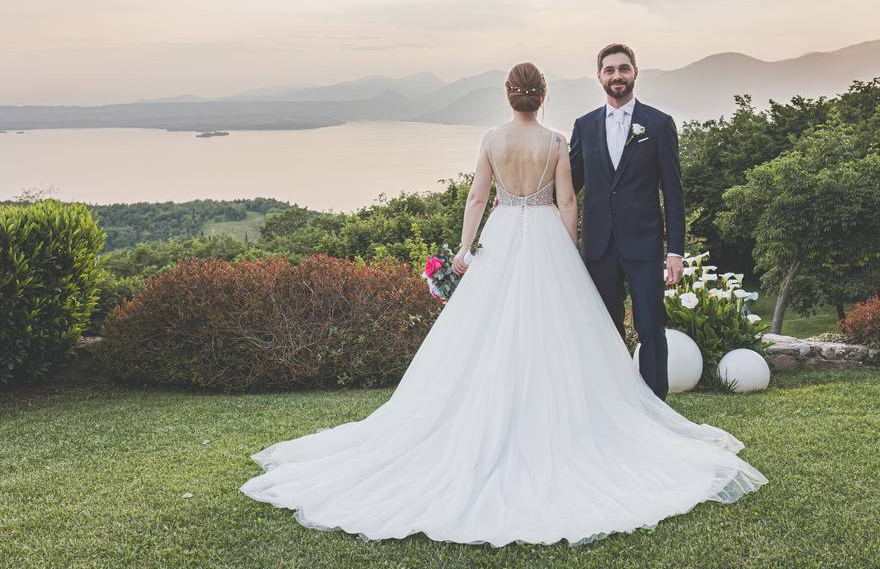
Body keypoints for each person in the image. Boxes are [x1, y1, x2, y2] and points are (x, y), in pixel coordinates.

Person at [240, 62, 767, 547]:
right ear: (543, 97)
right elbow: (567, 202)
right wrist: (567, 253)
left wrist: (466, 250)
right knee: (556, 334)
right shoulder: (558, 141)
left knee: (483, 335)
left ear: (509, 96)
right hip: (544, 237)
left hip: (499, 233)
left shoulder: (492, 139)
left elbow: (475, 197)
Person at [569, 42, 684, 401]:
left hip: (645, 245)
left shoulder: (658, 124)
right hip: (598, 246)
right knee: (605, 329)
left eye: (623, 68)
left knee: (651, 327)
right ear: (599, 76)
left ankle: (655, 407)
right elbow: (569, 186)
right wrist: (519, 195)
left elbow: (674, 192)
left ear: (635, 72)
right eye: (609, 69)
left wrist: (675, 251)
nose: (616, 75)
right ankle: (614, 405)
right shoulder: (584, 127)